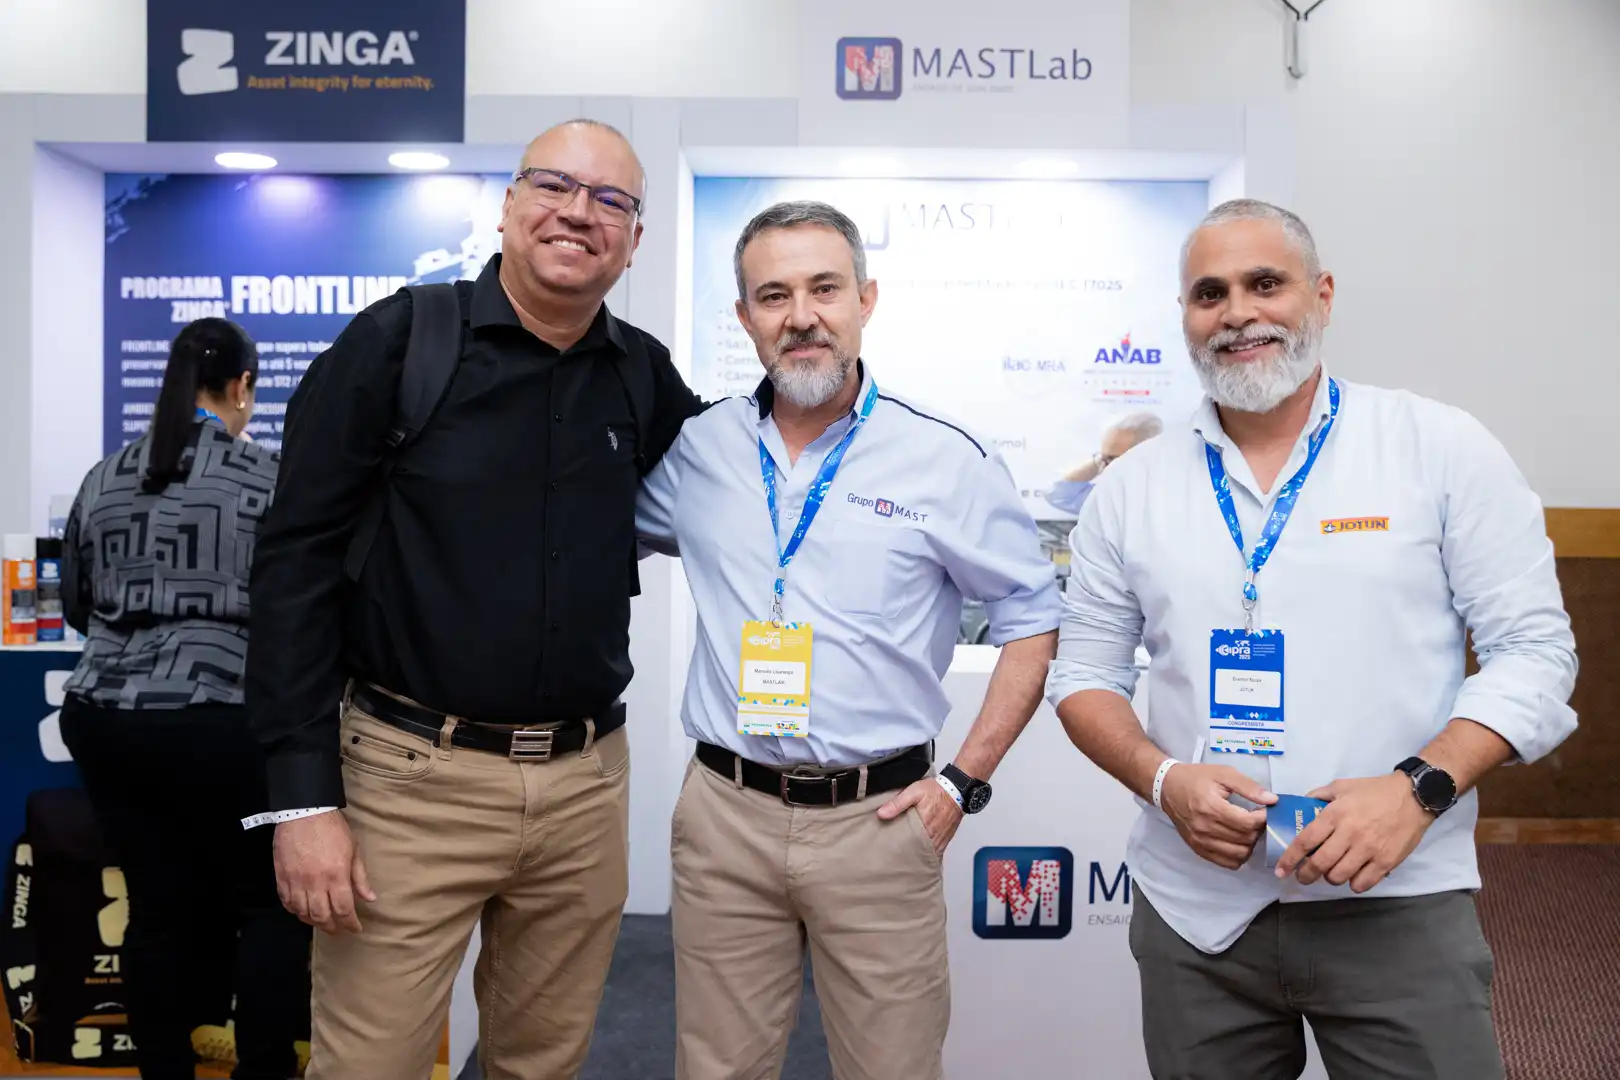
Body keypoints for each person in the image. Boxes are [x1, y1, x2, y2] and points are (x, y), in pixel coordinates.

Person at [1046, 198, 1578, 1080]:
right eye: (1210, 294)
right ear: (1184, 314)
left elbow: (1535, 652)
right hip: (1198, 912)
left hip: (1395, 894)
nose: (1238, 313)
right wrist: (1164, 781)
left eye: (1266, 284)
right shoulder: (1132, 487)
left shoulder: (1437, 447)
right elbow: (1084, 676)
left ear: (1321, 295)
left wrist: (1416, 790)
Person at [244, 119, 703, 1080]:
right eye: (554, 185)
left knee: (541, 1064)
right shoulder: (398, 343)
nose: (578, 213)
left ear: (634, 239)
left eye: (610, 200)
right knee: (369, 1068)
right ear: (507, 205)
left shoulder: (641, 374)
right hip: (408, 783)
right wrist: (301, 802)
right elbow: (294, 569)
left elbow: (741, 489)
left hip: (583, 789)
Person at [636, 200, 1061, 1080]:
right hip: (725, 816)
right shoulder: (701, 449)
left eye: (824, 289)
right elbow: (584, 534)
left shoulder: (946, 459)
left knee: (890, 1069)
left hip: (880, 821)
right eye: (774, 296)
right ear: (745, 317)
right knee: (715, 1068)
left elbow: (1032, 619)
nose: (802, 316)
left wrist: (963, 782)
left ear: (866, 299)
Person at [59, 318, 310, 1080]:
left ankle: (165, 1072)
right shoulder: (269, 477)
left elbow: (76, 604)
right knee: (267, 905)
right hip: (225, 719)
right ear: (242, 386)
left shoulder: (103, 476)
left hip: (105, 720)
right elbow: (303, 605)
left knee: (157, 910)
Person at [1044, 410, 1163, 515]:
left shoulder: (1168, 497)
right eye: (1105, 459)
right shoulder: (1112, 497)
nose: (1106, 468)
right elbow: (1057, 495)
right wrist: (1098, 460)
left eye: (1115, 459)